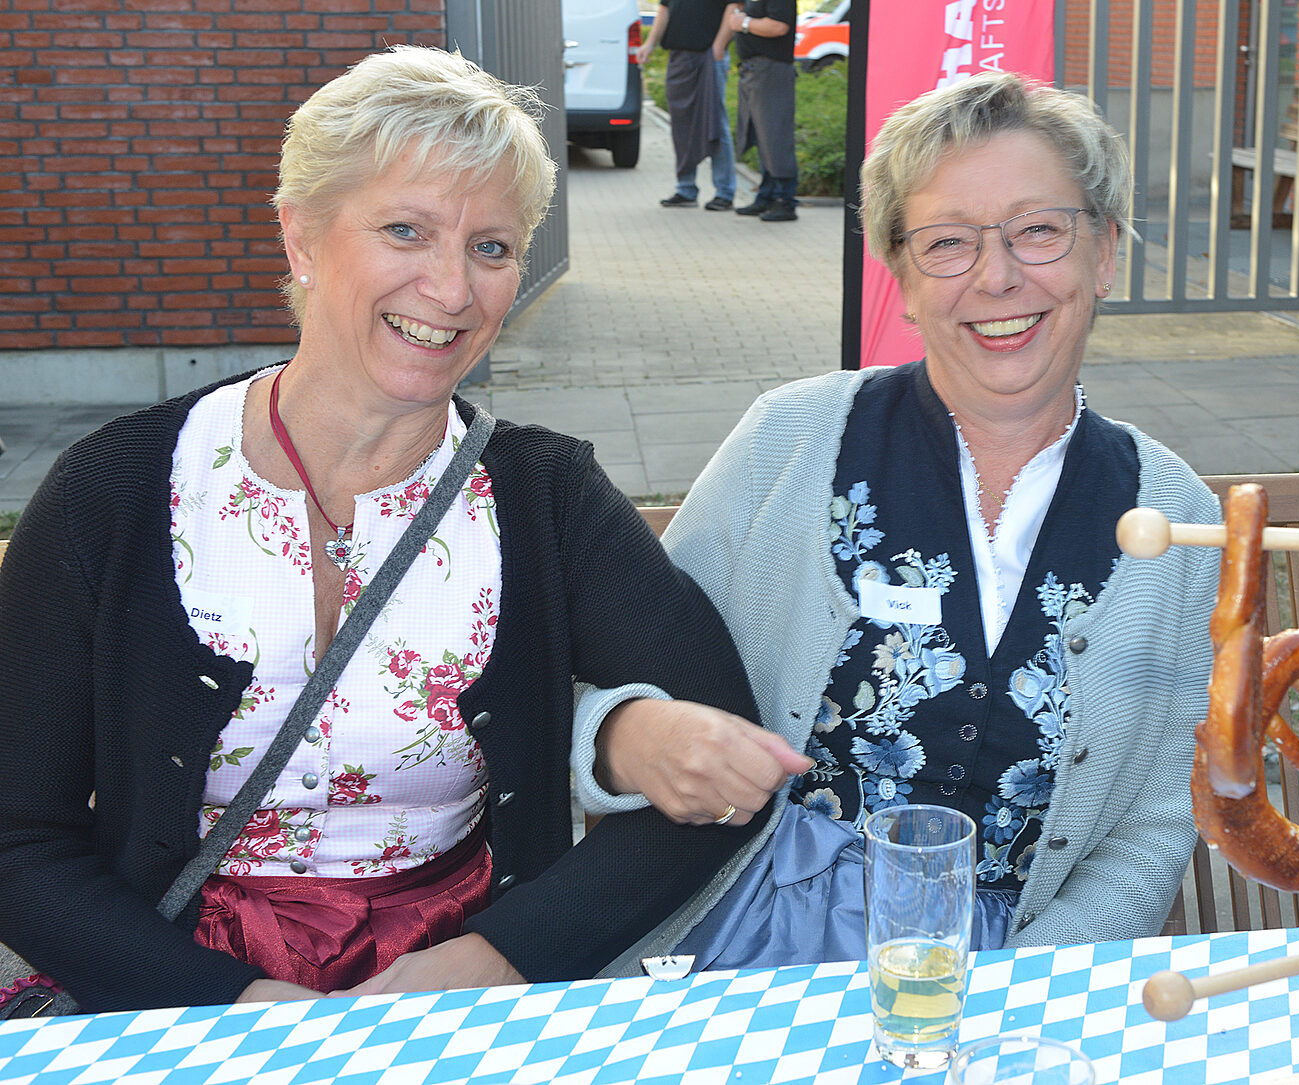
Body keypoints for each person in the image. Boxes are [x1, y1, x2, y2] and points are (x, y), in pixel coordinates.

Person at [0, 45, 778, 1015]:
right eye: (405, 231)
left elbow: (729, 775)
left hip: (450, 990)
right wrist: (224, 998)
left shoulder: (545, 495)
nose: (451, 290)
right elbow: (18, 834)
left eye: (490, 248)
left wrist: (505, 953)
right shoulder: (112, 493)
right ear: (301, 238)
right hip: (172, 989)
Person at [576, 72, 1222, 969]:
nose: (998, 277)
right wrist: (626, 737)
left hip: (1013, 970)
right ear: (903, 278)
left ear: (1104, 251)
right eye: (948, 243)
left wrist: (1023, 985)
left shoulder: (1177, 517)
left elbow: (1157, 818)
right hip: (738, 933)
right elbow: (619, 682)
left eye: (1039, 230)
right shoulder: (789, 440)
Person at [639, 0, 737, 211]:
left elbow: (734, 7)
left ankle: (725, 192)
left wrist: (718, 47)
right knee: (681, 124)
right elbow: (665, 9)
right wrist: (649, 44)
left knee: (715, 123)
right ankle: (686, 189)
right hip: (679, 57)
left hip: (709, 56)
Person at [720, 0, 798, 222]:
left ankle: (785, 200)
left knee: (775, 135)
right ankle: (767, 196)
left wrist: (743, 22)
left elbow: (779, 26)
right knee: (763, 137)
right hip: (755, 70)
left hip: (771, 70)